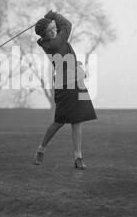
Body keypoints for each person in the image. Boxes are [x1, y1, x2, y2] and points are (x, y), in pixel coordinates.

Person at [34, 10, 97, 170]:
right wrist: (53, 14)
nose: (55, 30)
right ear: (45, 34)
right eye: (51, 29)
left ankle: (78, 157)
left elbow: (62, 26)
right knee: (59, 121)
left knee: (77, 121)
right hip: (65, 85)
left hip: (76, 81)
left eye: (54, 27)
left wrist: (51, 20)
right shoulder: (55, 43)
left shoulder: (48, 40)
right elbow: (67, 24)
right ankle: (41, 149)